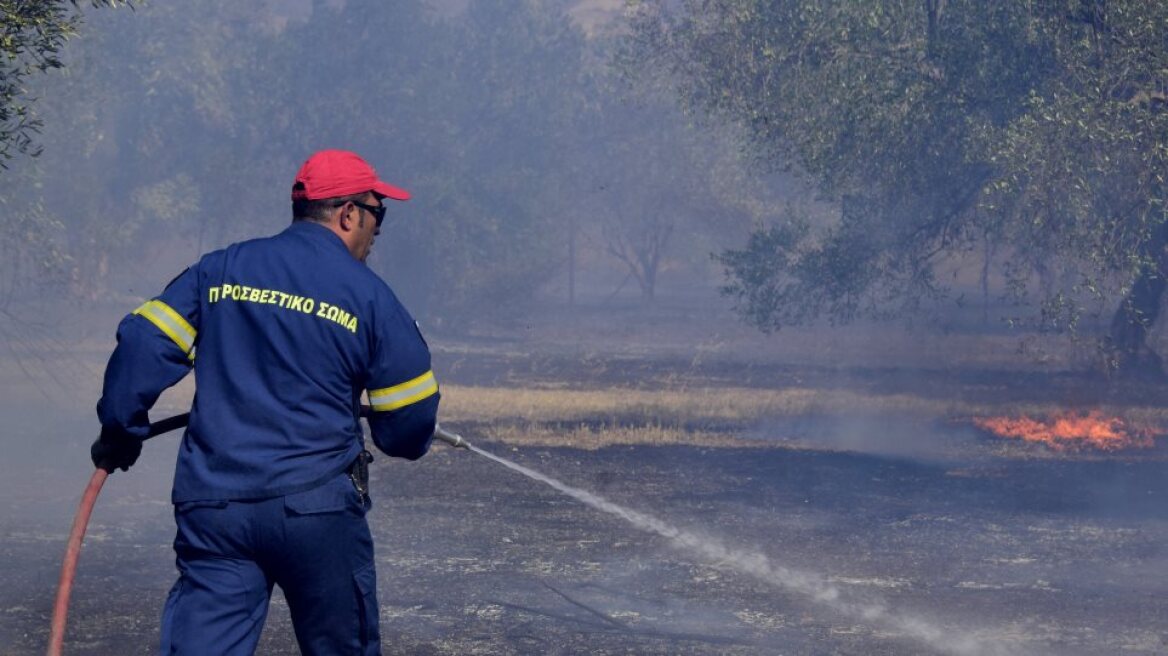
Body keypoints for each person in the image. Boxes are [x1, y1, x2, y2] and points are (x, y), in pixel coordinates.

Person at [90, 149, 440, 655]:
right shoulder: (372, 299)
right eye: (375, 217)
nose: (376, 233)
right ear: (347, 214)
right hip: (317, 514)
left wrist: (121, 433)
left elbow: (145, 344)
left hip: (216, 511)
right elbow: (408, 428)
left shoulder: (220, 270)